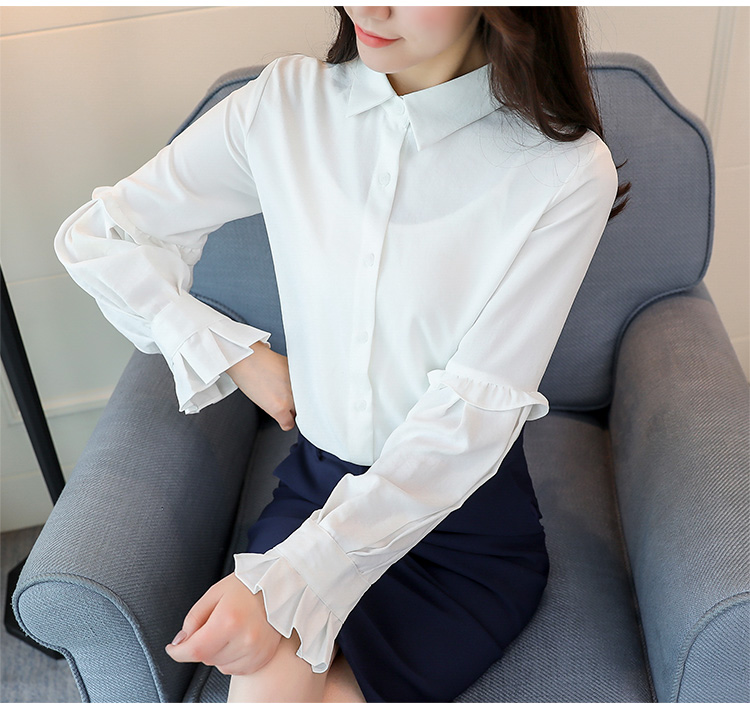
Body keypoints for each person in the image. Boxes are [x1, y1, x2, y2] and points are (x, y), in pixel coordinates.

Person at [54, 6, 628, 704]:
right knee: (261, 687)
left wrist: (285, 579)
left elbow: (473, 416)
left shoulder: (565, 169)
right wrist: (237, 357)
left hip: (461, 526)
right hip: (316, 493)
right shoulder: (283, 107)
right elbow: (100, 236)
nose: (371, 7)